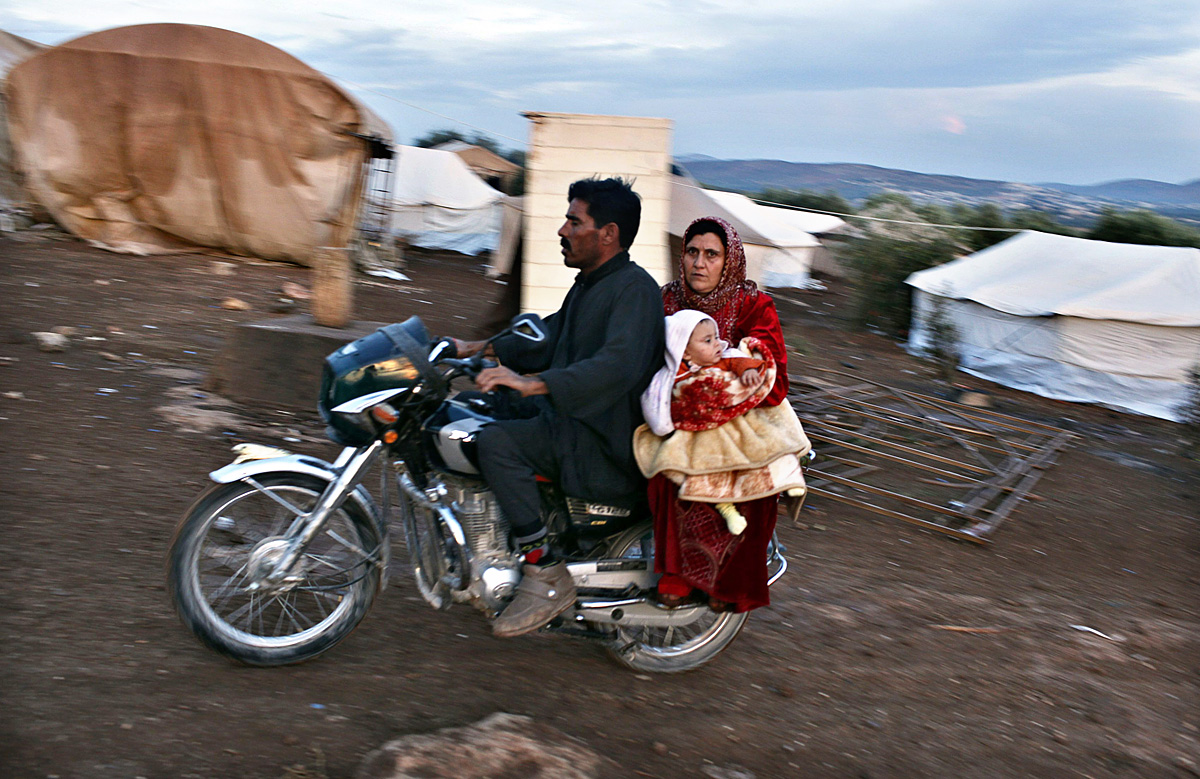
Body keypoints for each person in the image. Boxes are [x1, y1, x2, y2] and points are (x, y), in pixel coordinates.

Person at [452, 177, 665, 638]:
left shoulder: (636, 291)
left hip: (600, 442)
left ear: (607, 233)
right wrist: (477, 348)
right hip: (570, 424)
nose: (563, 230)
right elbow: (546, 337)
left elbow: (615, 367)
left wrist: (533, 385)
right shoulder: (590, 285)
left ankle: (546, 572)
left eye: (574, 220)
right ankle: (485, 547)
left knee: (496, 443)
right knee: (473, 411)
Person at [649, 216, 810, 612]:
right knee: (666, 464)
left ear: (730, 261)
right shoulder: (664, 301)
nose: (698, 264)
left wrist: (730, 383)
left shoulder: (755, 305)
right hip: (678, 409)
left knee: (753, 477)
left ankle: (729, 586)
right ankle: (675, 574)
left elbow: (775, 379)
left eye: (711, 255)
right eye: (691, 252)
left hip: (742, 419)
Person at [634, 310, 807, 538]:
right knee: (705, 472)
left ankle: (787, 479)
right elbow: (655, 401)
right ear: (684, 350)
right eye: (707, 340)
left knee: (765, 447)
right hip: (700, 437)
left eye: (716, 337)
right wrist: (668, 420)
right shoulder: (671, 376)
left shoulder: (725, 360)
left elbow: (742, 362)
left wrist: (748, 373)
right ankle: (727, 509)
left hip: (732, 429)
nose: (717, 344)